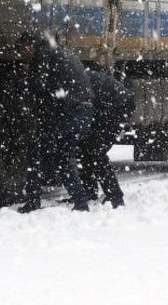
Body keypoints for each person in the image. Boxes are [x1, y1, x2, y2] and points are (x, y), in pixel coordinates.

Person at [16, 31, 95, 213]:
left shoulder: (43, 56)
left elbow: (40, 86)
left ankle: (34, 201)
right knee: (63, 156)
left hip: (69, 112)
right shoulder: (58, 52)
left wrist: (24, 81)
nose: (21, 57)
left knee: (38, 152)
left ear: (30, 47)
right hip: (82, 109)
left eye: (21, 51)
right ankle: (80, 200)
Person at [80, 69, 134, 208]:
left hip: (116, 107)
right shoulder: (77, 79)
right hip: (112, 105)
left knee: (97, 152)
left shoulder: (76, 85)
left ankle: (115, 197)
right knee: (87, 148)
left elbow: (84, 111)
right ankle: (89, 192)